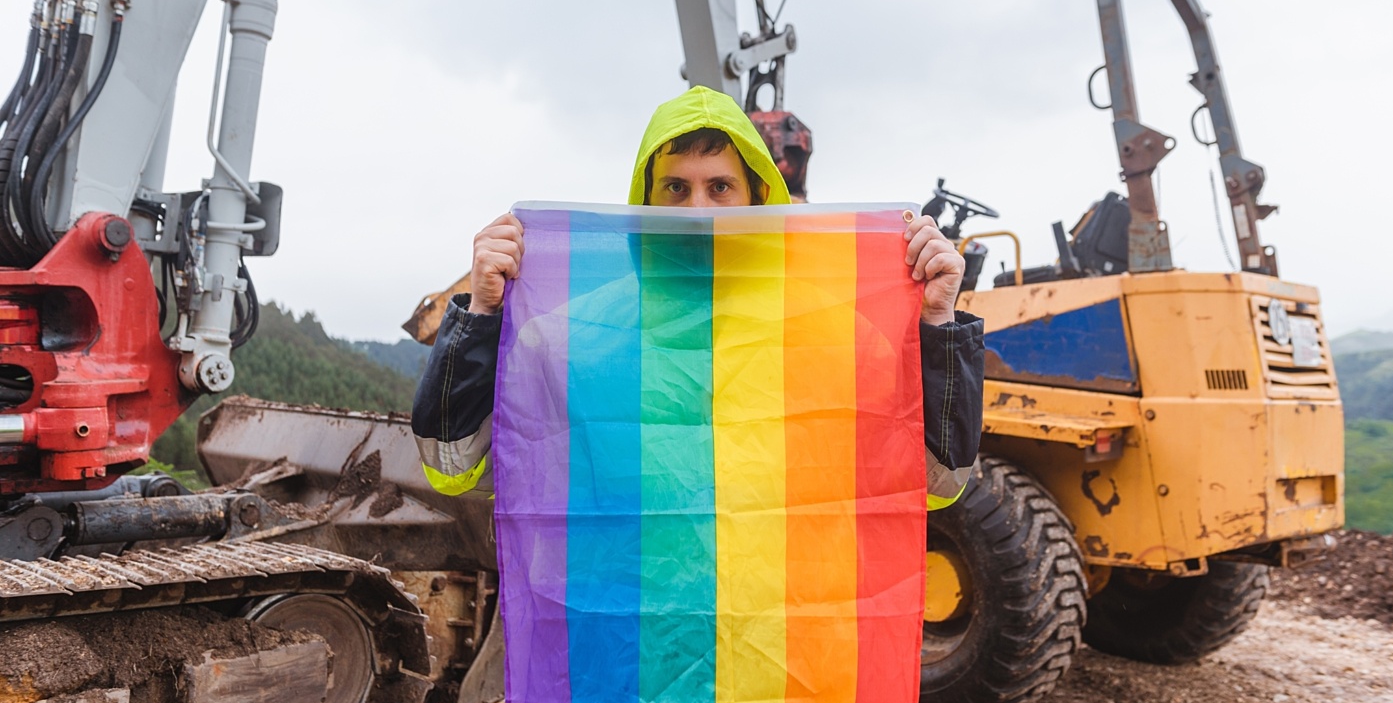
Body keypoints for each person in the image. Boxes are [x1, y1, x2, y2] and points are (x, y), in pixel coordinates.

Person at [411, 86, 983, 507]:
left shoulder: (832, 335)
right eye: (676, 188)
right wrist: (483, 314)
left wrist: (938, 324)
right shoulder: (574, 338)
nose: (698, 212)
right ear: (646, 199)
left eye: (720, 188)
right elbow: (451, 465)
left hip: (775, 654)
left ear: (758, 199)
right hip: (626, 646)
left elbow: (938, 481)